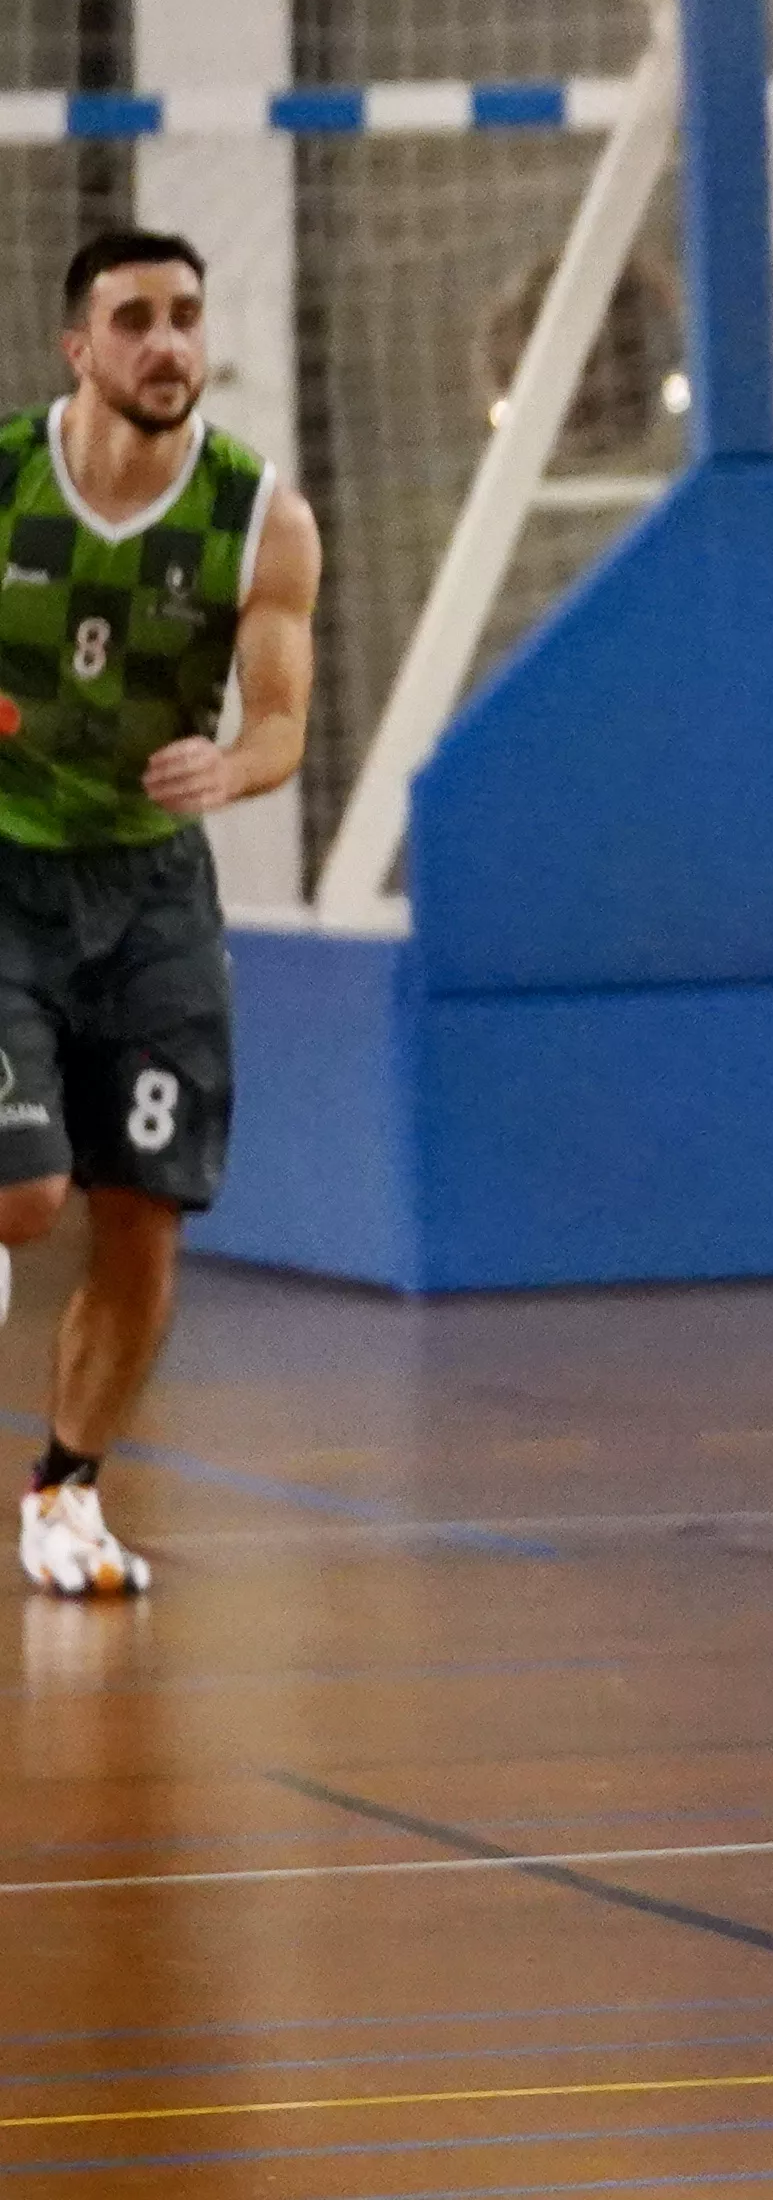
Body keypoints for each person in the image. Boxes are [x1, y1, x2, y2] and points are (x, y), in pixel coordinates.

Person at [8, 229, 321, 1599]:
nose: (167, 344)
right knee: (27, 1196)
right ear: (80, 349)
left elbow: (285, 723)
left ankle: (64, 1492)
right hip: (7, 870)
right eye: (133, 319)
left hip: (150, 892)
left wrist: (231, 765)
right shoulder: (8, 481)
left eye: (186, 316)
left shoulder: (262, 515)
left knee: (146, 1215)